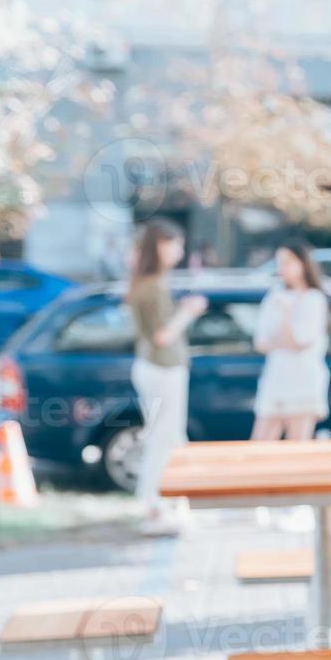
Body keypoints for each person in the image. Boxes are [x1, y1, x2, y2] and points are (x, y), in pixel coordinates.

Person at [125, 219, 205, 534]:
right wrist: (189, 311)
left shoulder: (145, 280)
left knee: (166, 438)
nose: (180, 251)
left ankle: (164, 504)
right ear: (161, 245)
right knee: (165, 439)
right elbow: (163, 335)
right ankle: (156, 508)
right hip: (162, 369)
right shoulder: (155, 283)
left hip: (155, 368)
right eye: (176, 244)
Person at [252, 240, 330, 441]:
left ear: (303, 263)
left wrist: (287, 313)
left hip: (303, 379)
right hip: (276, 377)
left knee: (297, 445)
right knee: (261, 443)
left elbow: (299, 341)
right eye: (280, 262)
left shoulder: (314, 298)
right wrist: (284, 340)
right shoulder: (274, 296)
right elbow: (261, 342)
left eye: (287, 262)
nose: (282, 268)